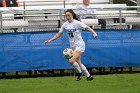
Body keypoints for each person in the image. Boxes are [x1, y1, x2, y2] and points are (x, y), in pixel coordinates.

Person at [44, 9, 97, 81]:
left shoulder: (77, 23)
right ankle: (89, 76)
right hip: (73, 47)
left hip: (80, 45)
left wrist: (94, 32)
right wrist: (50, 40)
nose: (67, 17)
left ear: (72, 15)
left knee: (71, 60)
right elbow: (59, 34)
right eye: (66, 16)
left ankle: (79, 73)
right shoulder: (65, 25)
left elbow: (87, 27)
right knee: (79, 63)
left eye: (68, 15)